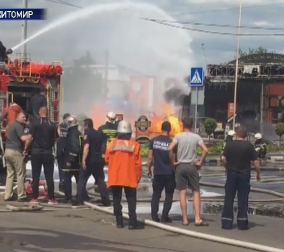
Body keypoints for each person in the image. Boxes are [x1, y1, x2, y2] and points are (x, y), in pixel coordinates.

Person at [168, 117, 208, 226]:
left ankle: (185, 219)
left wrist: (173, 162)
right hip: (192, 166)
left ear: (182, 125)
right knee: (196, 191)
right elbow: (205, 150)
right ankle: (197, 218)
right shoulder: (196, 137)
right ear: (192, 125)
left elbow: (169, 149)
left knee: (182, 191)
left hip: (180, 165)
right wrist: (200, 162)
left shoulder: (178, 136)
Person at [221, 126, 261, 230]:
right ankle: (242, 223)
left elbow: (223, 158)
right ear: (245, 135)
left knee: (229, 197)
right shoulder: (249, 146)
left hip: (232, 173)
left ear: (236, 134)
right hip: (244, 174)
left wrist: (227, 167)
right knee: (243, 198)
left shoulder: (230, 145)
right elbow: (255, 162)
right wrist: (258, 174)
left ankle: (226, 222)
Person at [105, 120, 142, 229]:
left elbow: (107, 159)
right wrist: (138, 177)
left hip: (115, 177)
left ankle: (119, 221)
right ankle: (132, 222)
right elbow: (138, 164)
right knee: (131, 200)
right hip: (130, 177)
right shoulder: (135, 145)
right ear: (129, 133)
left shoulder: (111, 144)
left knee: (116, 199)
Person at [75, 118, 110, 206]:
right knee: (100, 180)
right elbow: (104, 145)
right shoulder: (98, 133)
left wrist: (83, 160)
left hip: (89, 160)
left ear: (86, 125)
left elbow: (86, 146)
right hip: (99, 160)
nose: (83, 127)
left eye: (83, 125)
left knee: (82, 179)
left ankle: (79, 199)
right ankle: (106, 199)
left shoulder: (87, 134)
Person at [147, 121, 175, 223]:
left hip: (158, 172)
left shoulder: (153, 141)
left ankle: (154, 216)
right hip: (169, 173)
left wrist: (148, 169)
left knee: (156, 194)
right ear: (170, 130)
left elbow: (150, 157)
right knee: (169, 195)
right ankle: (164, 216)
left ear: (161, 129)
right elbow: (174, 158)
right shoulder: (172, 142)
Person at [29, 106, 58, 204]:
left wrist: (25, 149)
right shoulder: (52, 124)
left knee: (35, 175)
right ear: (48, 113)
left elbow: (30, 137)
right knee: (49, 176)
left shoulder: (35, 123)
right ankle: (51, 198)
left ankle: (34, 198)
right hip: (48, 153)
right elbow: (56, 138)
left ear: (39, 112)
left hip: (36, 152)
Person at [4, 111, 32, 201]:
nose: (25, 119)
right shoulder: (18, 126)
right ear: (18, 118)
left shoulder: (12, 125)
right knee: (20, 174)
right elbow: (23, 138)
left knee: (10, 174)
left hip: (7, 151)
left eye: (25, 117)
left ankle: (8, 195)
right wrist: (30, 136)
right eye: (23, 117)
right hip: (15, 152)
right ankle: (21, 195)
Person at [62, 115, 82, 203]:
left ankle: (68, 197)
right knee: (78, 179)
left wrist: (70, 159)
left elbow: (75, 147)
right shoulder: (76, 131)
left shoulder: (73, 133)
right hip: (76, 160)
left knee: (67, 179)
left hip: (71, 161)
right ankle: (81, 196)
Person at [56, 113, 70, 191]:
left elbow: (57, 136)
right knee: (65, 166)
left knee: (61, 166)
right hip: (66, 149)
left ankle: (62, 181)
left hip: (60, 148)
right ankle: (64, 181)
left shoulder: (59, 126)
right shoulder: (70, 127)